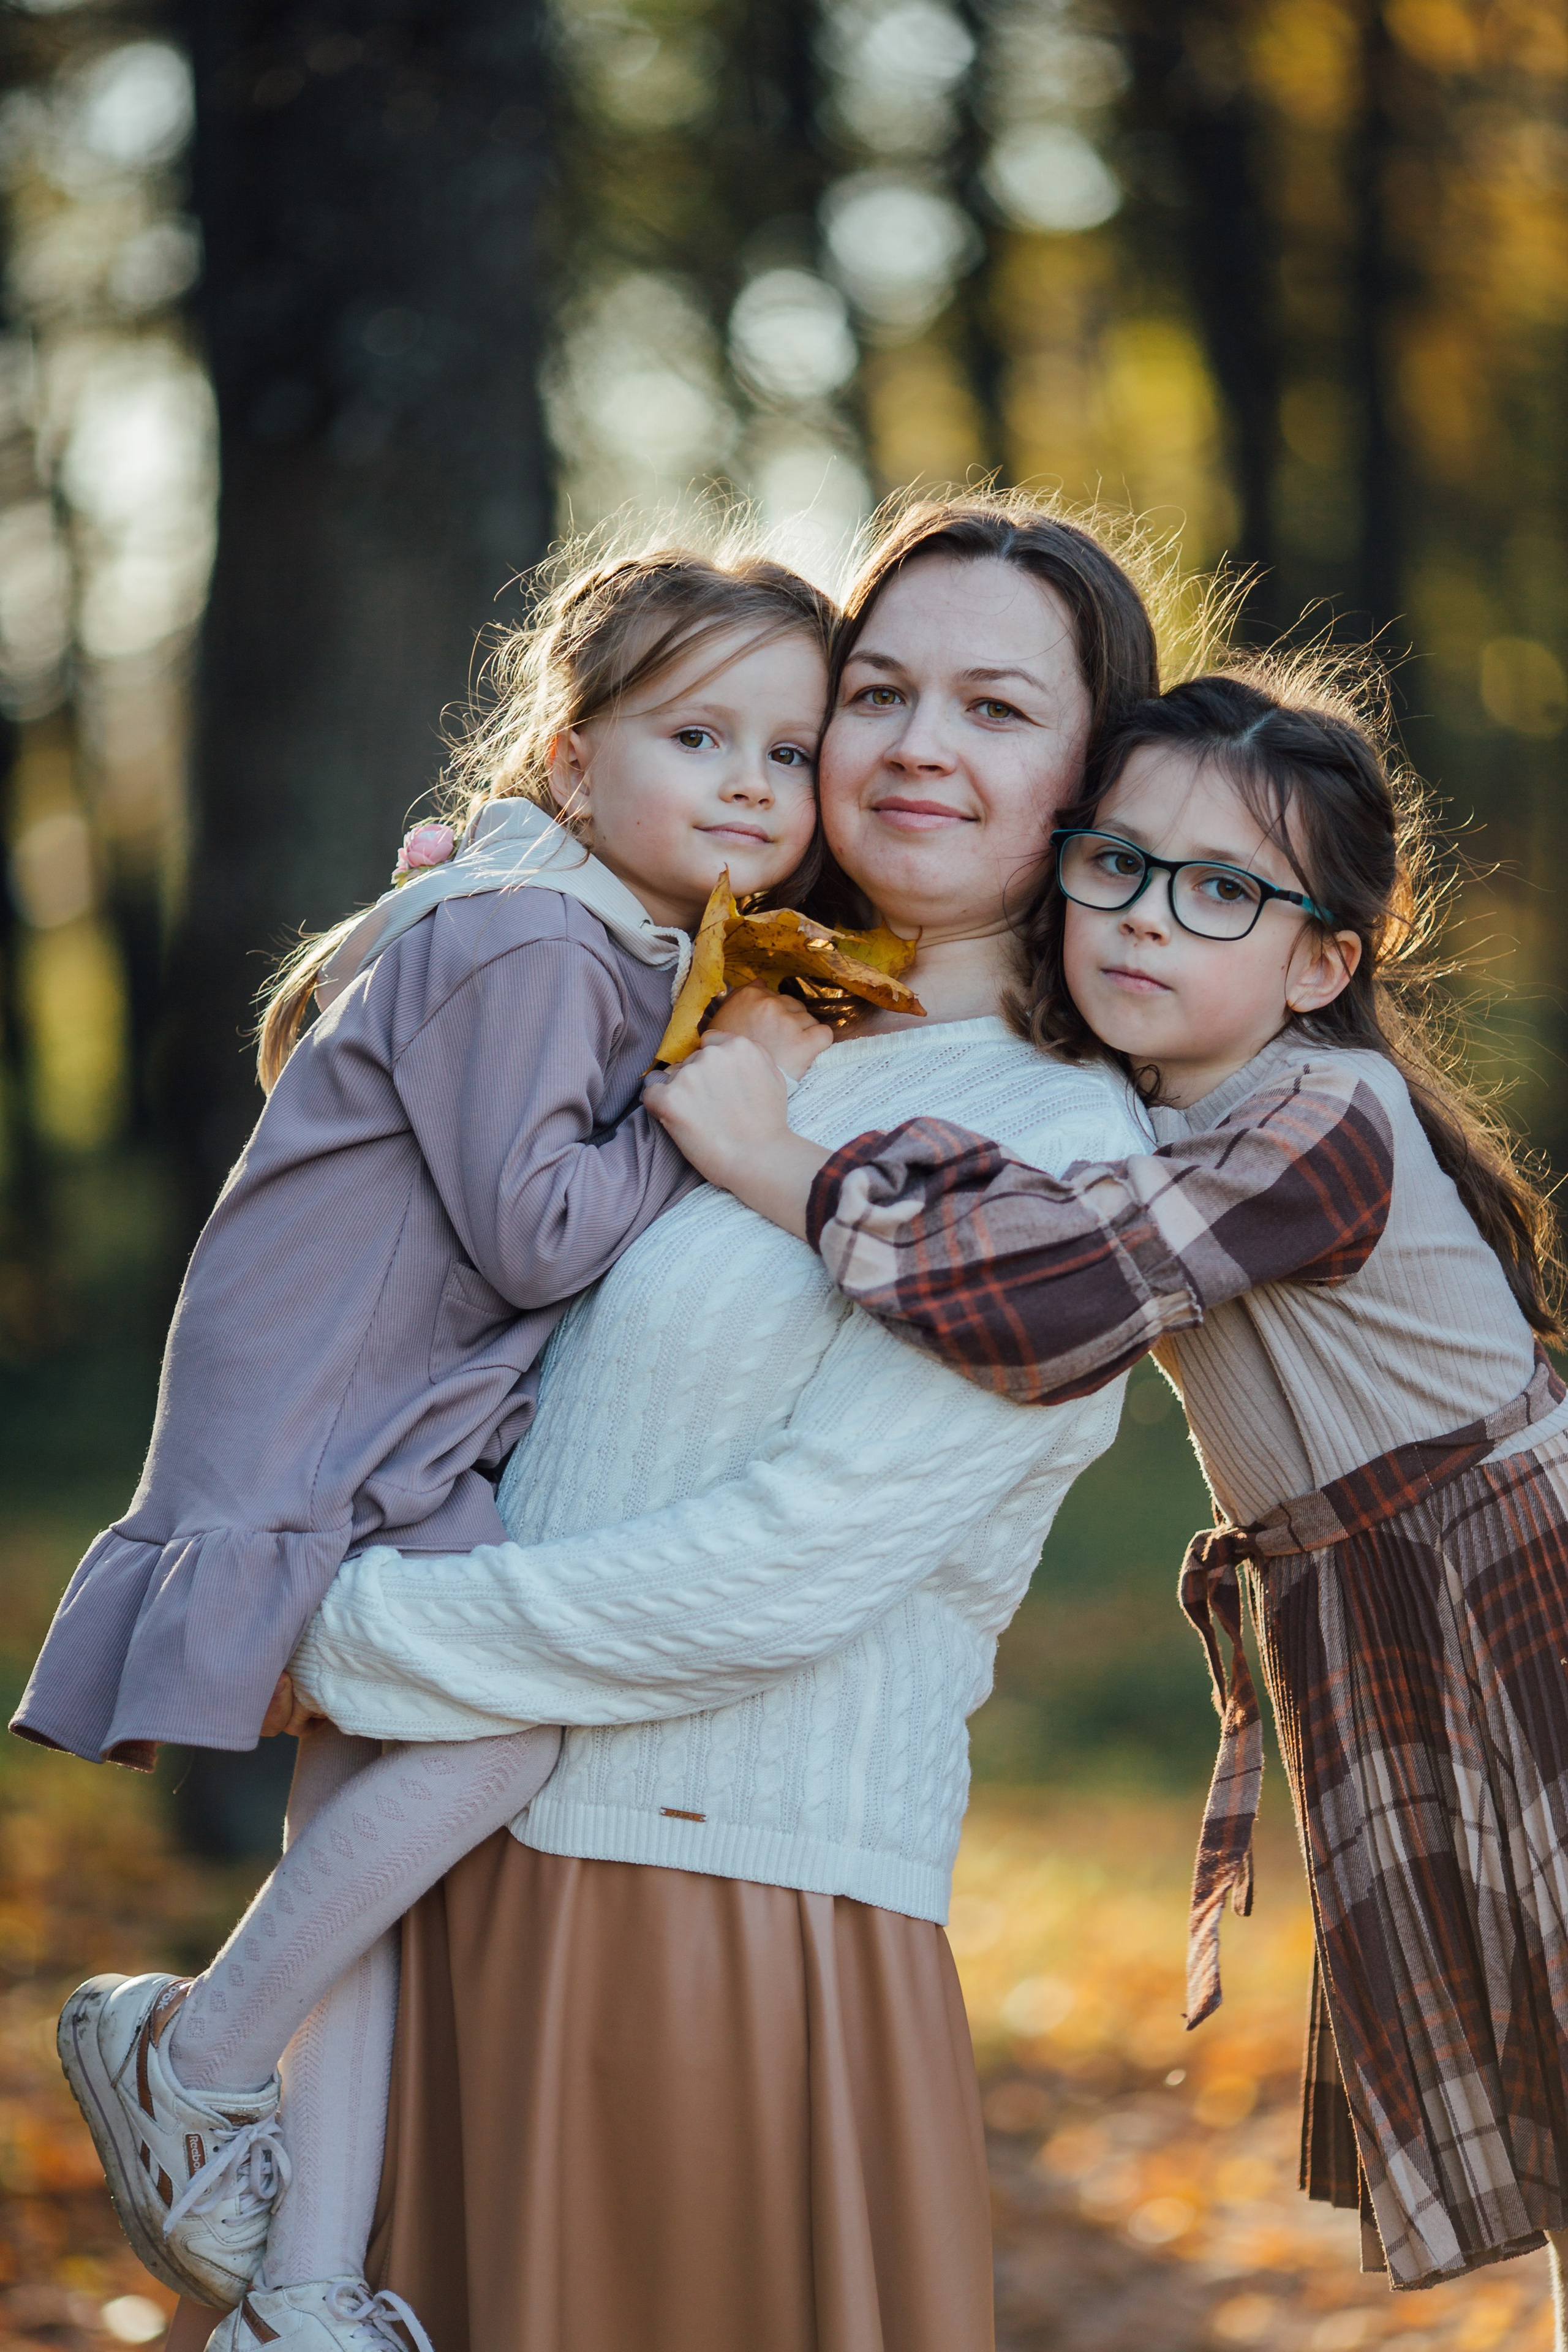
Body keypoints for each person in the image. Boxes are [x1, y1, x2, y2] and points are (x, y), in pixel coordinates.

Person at [262, 492, 1169, 2352]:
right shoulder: (700, 1003)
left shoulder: (1061, 1149)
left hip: (724, 1910)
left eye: (997, 710)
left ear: (1095, 778)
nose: (920, 745)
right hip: (444, 1872)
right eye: (883, 690)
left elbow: (784, 1570)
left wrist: (329, 1630)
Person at [655, 658, 1568, 2313]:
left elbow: (1060, 1294)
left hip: (1514, 1603)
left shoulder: (1321, 1122)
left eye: (1224, 889)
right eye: (1120, 864)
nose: (1149, 917)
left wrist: (776, 1163)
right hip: (1382, 1615)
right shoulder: (1164, 1100)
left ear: (1321, 961)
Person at [21, 541, 839, 2350]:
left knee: (369, 1871)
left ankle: (306, 2298)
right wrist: (728, 1109)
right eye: (699, 734)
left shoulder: (575, 923)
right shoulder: (531, 935)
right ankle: (194, 2044)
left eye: (789, 754)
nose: (751, 787)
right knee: (507, 1733)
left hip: (396, 1437)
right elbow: (539, 1228)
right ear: (568, 761)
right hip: (334, 1433)